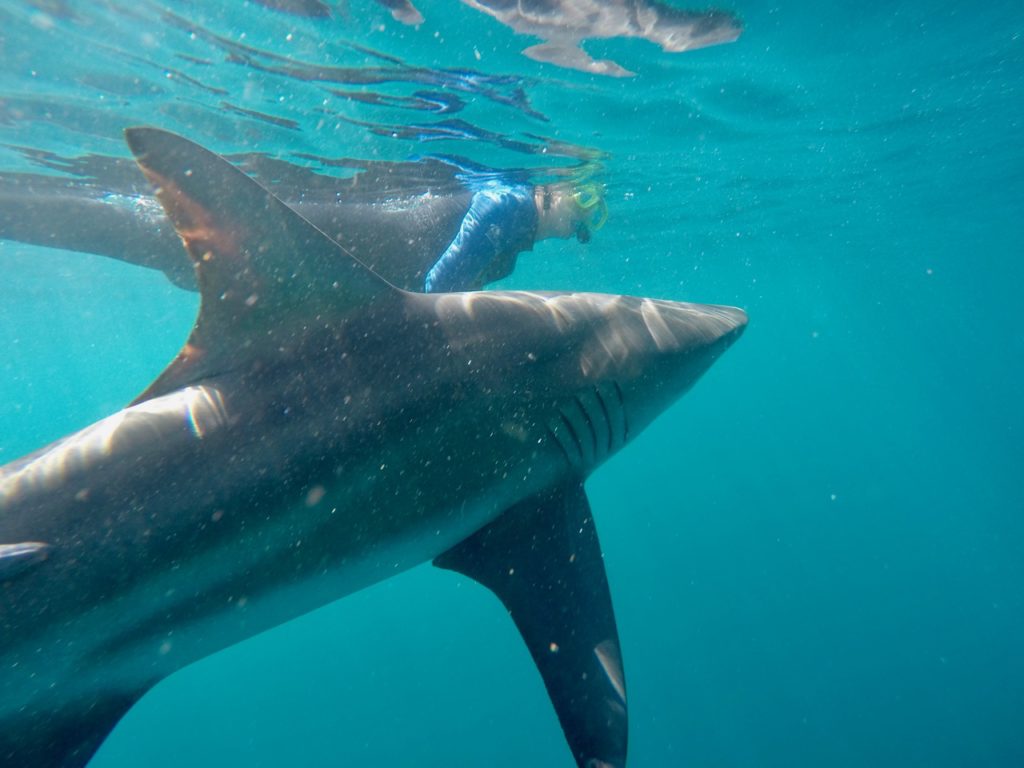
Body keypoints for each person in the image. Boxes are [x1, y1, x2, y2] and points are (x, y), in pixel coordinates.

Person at [0, 151, 607, 294]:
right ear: (559, 191)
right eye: (580, 217)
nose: (572, 232)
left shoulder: (519, 231)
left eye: (583, 232)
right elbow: (438, 287)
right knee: (149, 235)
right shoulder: (505, 203)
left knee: (156, 242)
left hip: (325, 258)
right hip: (323, 235)